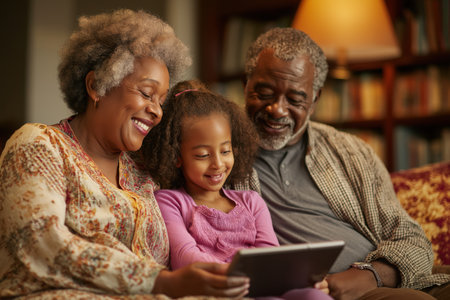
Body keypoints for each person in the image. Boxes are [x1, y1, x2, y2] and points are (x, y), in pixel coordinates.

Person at [0, 9, 250, 299]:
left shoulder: (144, 171)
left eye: (161, 100)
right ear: (96, 86)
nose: (157, 111)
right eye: (146, 93)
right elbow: (41, 244)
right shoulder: (40, 145)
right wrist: (162, 282)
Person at [231, 27, 450, 300]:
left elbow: (412, 239)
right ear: (245, 84)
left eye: (295, 99)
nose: (277, 109)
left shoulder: (350, 150)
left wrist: (370, 275)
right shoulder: (219, 153)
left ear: (314, 100)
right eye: (264, 93)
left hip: (391, 277)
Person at [139, 79, 333, 300]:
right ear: (176, 157)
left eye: (225, 151)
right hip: (219, 290)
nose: (218, 164)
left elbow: (270, 254)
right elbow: (184, 257)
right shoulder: (170, 201)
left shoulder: (251, 201)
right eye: (203, 155)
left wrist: (299, 277)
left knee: (314, 295)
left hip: (260, 285)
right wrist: (242, 276)